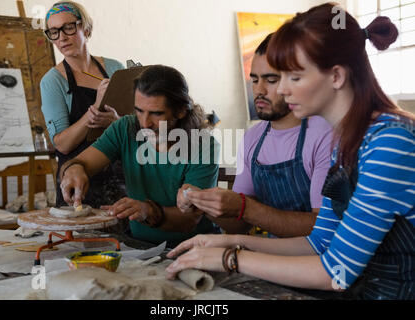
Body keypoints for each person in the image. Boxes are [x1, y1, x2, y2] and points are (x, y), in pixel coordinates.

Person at [166, 3, 414, 300]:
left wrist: (230, 259)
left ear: (336, 76)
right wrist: (226, 241)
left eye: (293, 77)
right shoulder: (346, 138)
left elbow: (336, 271)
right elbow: (318, 242)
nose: (280, 90)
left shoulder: (390, 141)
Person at [176, 33, 333, 237]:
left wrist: (245, 207)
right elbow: (241, 225)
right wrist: (203, 204)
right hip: (271, 258)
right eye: (255, 80)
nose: (258, 90)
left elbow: (323, 228)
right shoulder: (253, 138)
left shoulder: (324, 135)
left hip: (322, 263)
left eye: (270, 80)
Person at [59, 65, 220, 247]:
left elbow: (189, 220)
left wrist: (149, 211)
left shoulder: (203, 145)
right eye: (139, 110)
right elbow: (79, 163)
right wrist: (73, 170)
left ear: (181, 110)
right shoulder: (125, 128)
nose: (145, 123)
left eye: (156, 113)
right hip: (139, 245)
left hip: (195, 247)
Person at [40, 1, 126, 208]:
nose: (61, 37)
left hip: (123, 178)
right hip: (79, 181)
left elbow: (138, 124)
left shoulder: (115, 68)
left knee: (129, 239)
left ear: (85, 29)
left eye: (68, 27)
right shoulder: (52, 81)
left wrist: (116, 121)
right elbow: (62, 144)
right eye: (54, 32)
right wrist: (93, 113)